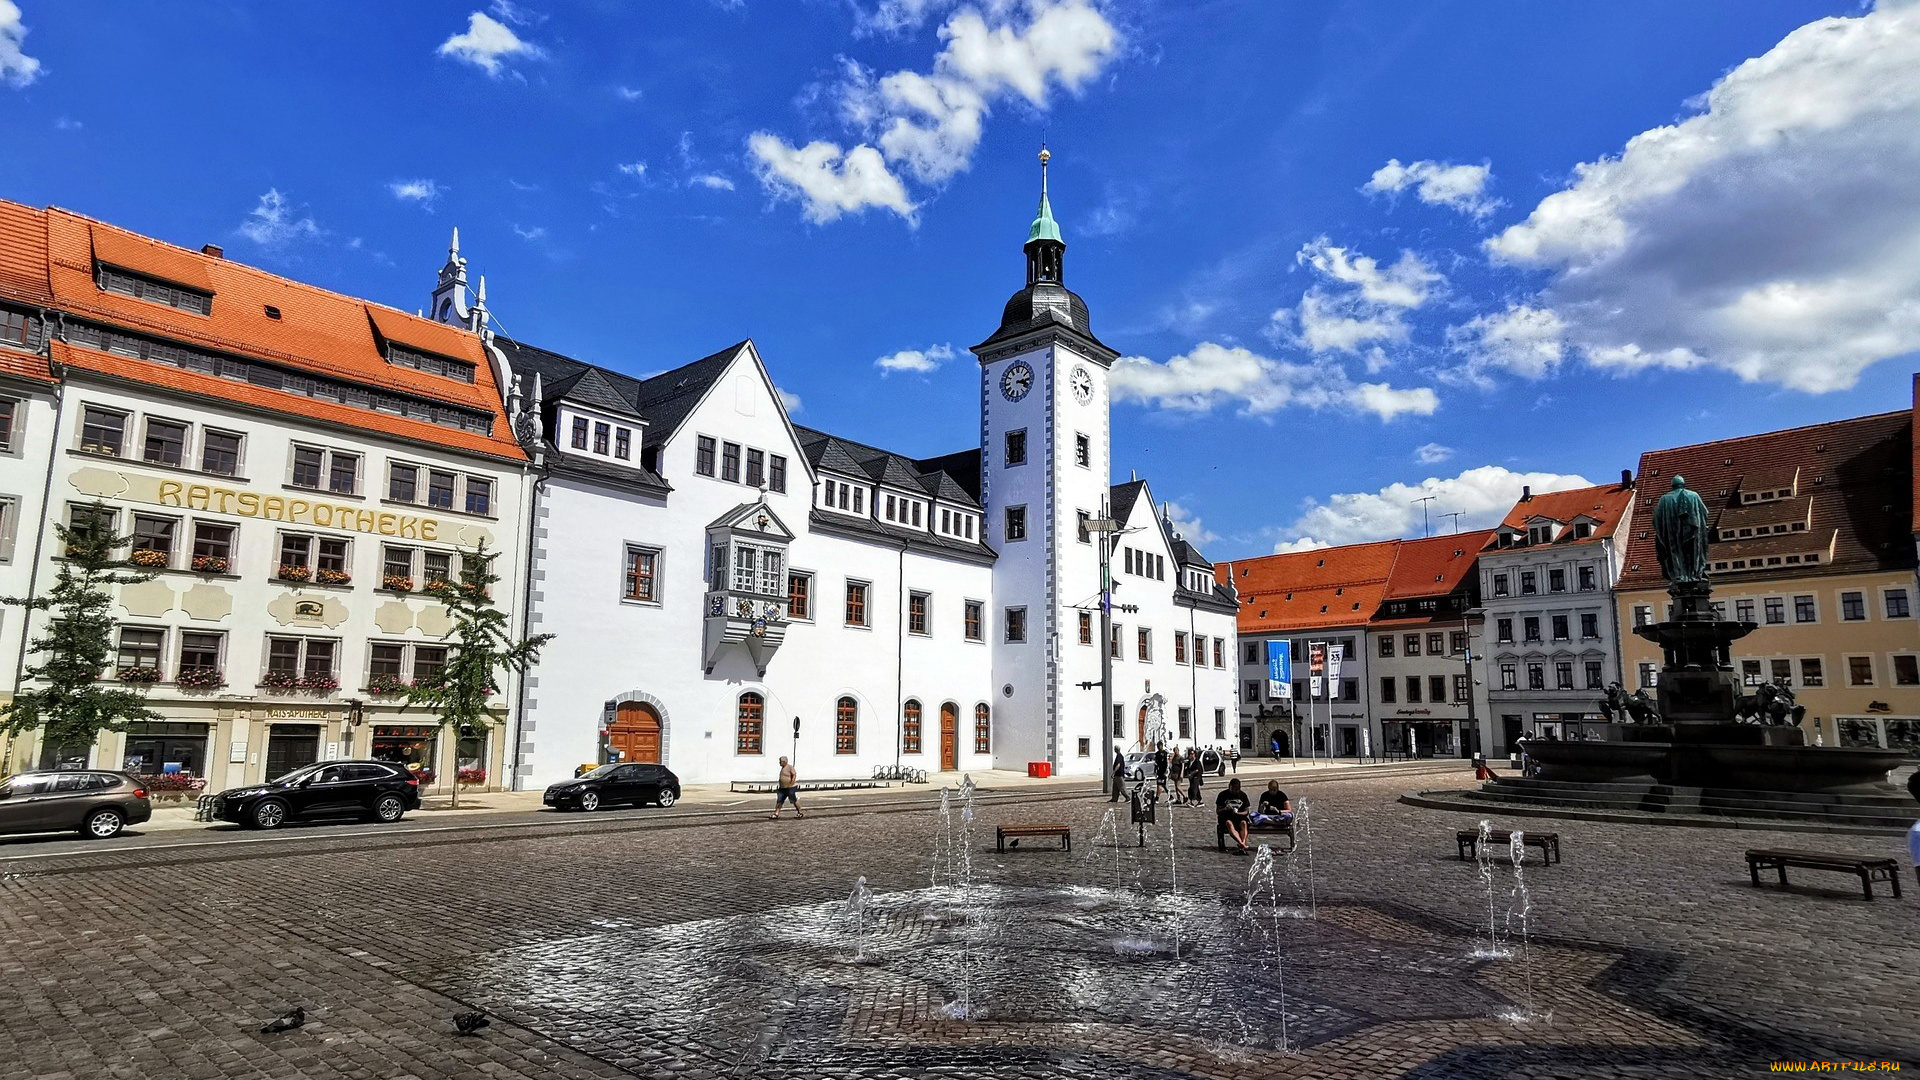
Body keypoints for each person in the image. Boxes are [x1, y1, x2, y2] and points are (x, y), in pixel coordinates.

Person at [1216, 778, 1252, 854]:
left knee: (1243, 823)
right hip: (1226, 817)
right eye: (1233, 789)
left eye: (1237, 789)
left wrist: (1239, 813)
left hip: (1239, 817)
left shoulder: (1242, 795)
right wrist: (1225, 809)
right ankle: (1242, 844)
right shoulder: (1222, 795)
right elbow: (1218, 811)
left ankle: (1242, 844)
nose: (1235, 791)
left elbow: (1246, 811)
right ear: (1230, 787)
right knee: (1229, 823)